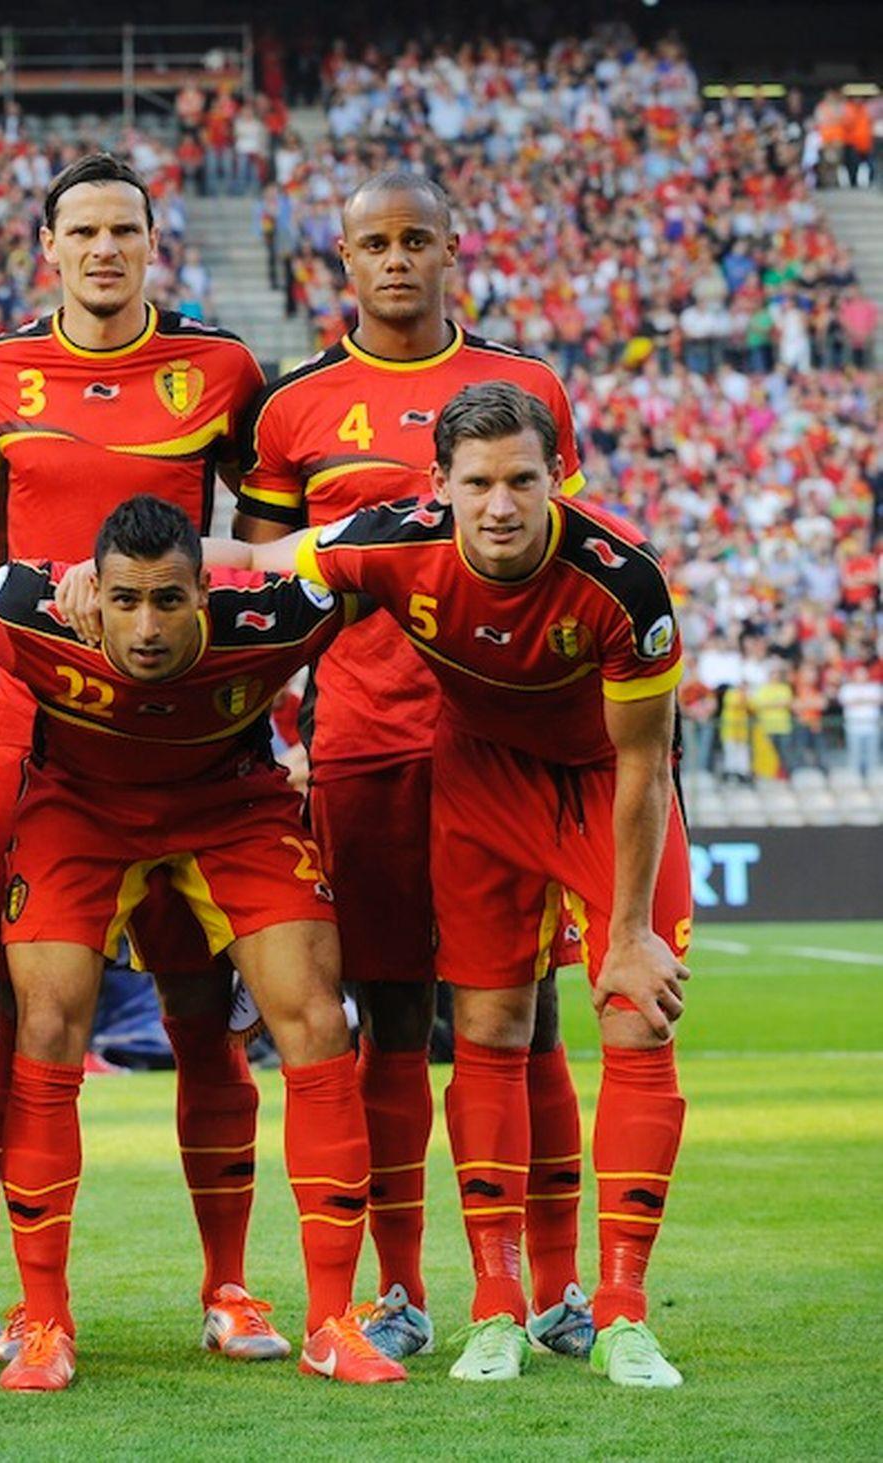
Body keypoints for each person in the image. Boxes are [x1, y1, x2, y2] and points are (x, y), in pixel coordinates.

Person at [0, 495, 405, 1390]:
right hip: (78, 813)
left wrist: (260, 556)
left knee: (317, 1021)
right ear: (95, 591)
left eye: (167, 599)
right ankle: (44, 1318)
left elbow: (391, 560)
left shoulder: (279, 618)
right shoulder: (30, 608)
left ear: (204, 590)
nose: (146, 627)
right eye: (124, 600)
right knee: (45, 1029)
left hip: (231, 807)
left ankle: (325, 1320)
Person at [242, 382, 694, 1389]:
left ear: (555, 478)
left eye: (521, 480)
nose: (499, 504)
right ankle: (494, 1307)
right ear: (438, 483)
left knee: (634, 1015)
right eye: (478, 482)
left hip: (605, 790)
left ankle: (621, 1312)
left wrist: (627, 930)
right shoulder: (391, 542)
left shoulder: (624, 581)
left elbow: (642, 761)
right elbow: (262, 559)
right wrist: (116, 565)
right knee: (487, 1030)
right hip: (480, 781)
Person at [230, 170, 595, 1361]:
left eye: (415, 240)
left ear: (451, 250)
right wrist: (274, 733)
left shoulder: (524, 390)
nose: (395, 259)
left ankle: (556, 1286)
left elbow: (569, 561)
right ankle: (400, 1287)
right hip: (366, 743)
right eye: (374, 243)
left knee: (525, 1020)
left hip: (502, 744)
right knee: (388, 1022)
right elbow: (261, 587)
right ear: (342, 258)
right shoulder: (293, 408)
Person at [0, 150, 272, 1363]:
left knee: (203, 1013)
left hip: (189, 733)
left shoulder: (220, 369)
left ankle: (229, 1286)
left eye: (123, 231)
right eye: (81, 231)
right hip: (36, 735)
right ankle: (0, 1293)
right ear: (48, 247)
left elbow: (265, 541)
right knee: (18, 1019)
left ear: (152, 243)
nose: (102, 249)